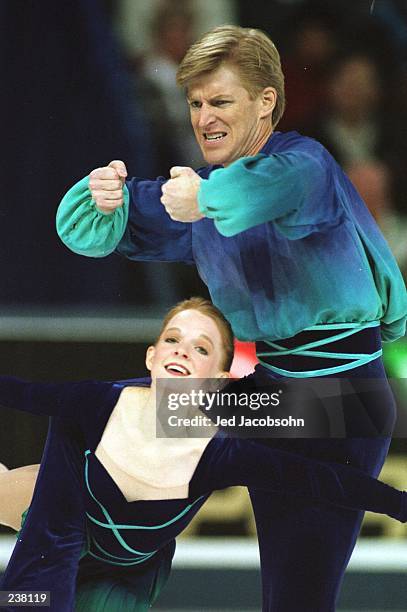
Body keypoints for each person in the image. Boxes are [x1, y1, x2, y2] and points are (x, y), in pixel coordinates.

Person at [56, 26, 407, 611]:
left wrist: (206, 200)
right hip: (277, 395)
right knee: (129, 415)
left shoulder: (306, 165)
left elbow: (263, 192)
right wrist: (102, 197)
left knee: (297, 597)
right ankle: (54, 509)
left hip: (344, 402)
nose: (202, 117)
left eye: (219, 101)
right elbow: (97, 230)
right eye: (195, 102)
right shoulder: (203, 192)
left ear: (266, 101)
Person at [0, 296, 406, 612]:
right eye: (173, 340)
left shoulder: (220, 453)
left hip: (126, 574)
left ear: (220, 378)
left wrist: (399, 504)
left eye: (200, 348)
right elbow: (19, 391)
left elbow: (325, 478)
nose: (180, 351)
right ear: (151, 355)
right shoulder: (95, 402)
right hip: (52, 526)